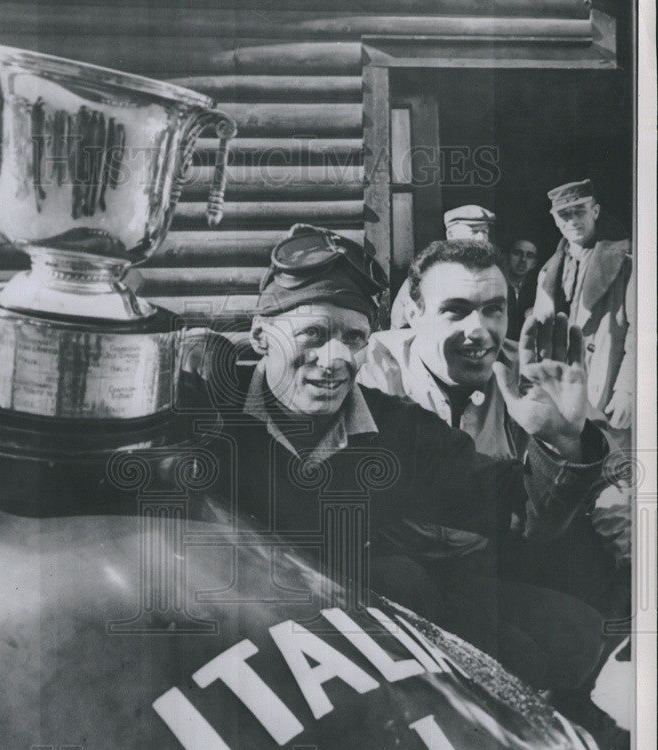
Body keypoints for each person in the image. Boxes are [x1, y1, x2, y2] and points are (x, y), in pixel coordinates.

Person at [181, 224, 612, 701]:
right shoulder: (208, 406)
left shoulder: (398, 430)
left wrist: (560, 439)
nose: (335, 358)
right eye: (313, 334)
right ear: (262, 337)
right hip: (222, 644)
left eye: (353, 337)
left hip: (341, 649)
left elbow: (518, 509)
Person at [359, 238, 629, 750]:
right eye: (455, 310)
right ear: (413, 312)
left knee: (620, 529)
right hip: (399, 572)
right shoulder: (376, 368)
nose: (478, 331)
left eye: (493, 309)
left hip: (494, 556)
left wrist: (569, 444)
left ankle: (567, 704)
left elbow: (612, 466)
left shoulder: (526, 368)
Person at [531, 179, 633, 431]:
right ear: (555, 220)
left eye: (580, 211)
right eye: (564, 214)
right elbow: (537, 339)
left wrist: (629, 389)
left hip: (607, 386)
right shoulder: (546, 273)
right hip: (563, 391)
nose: (573, 220)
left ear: (595, 212)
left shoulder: (626, 265)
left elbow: (641, 333)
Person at [389, 205, 494, 328]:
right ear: (450, 234)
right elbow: (401, 329)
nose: (481, 238)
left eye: (485, 231)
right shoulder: (426, 277)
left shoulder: (491, 277)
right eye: (474, 231)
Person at [504, 237, 539, 340]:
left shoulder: (538, 291)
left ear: (534, 264)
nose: (523, 259)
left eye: (530, 256)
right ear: (506, 257)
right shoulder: (497, 286)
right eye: (517, 253)